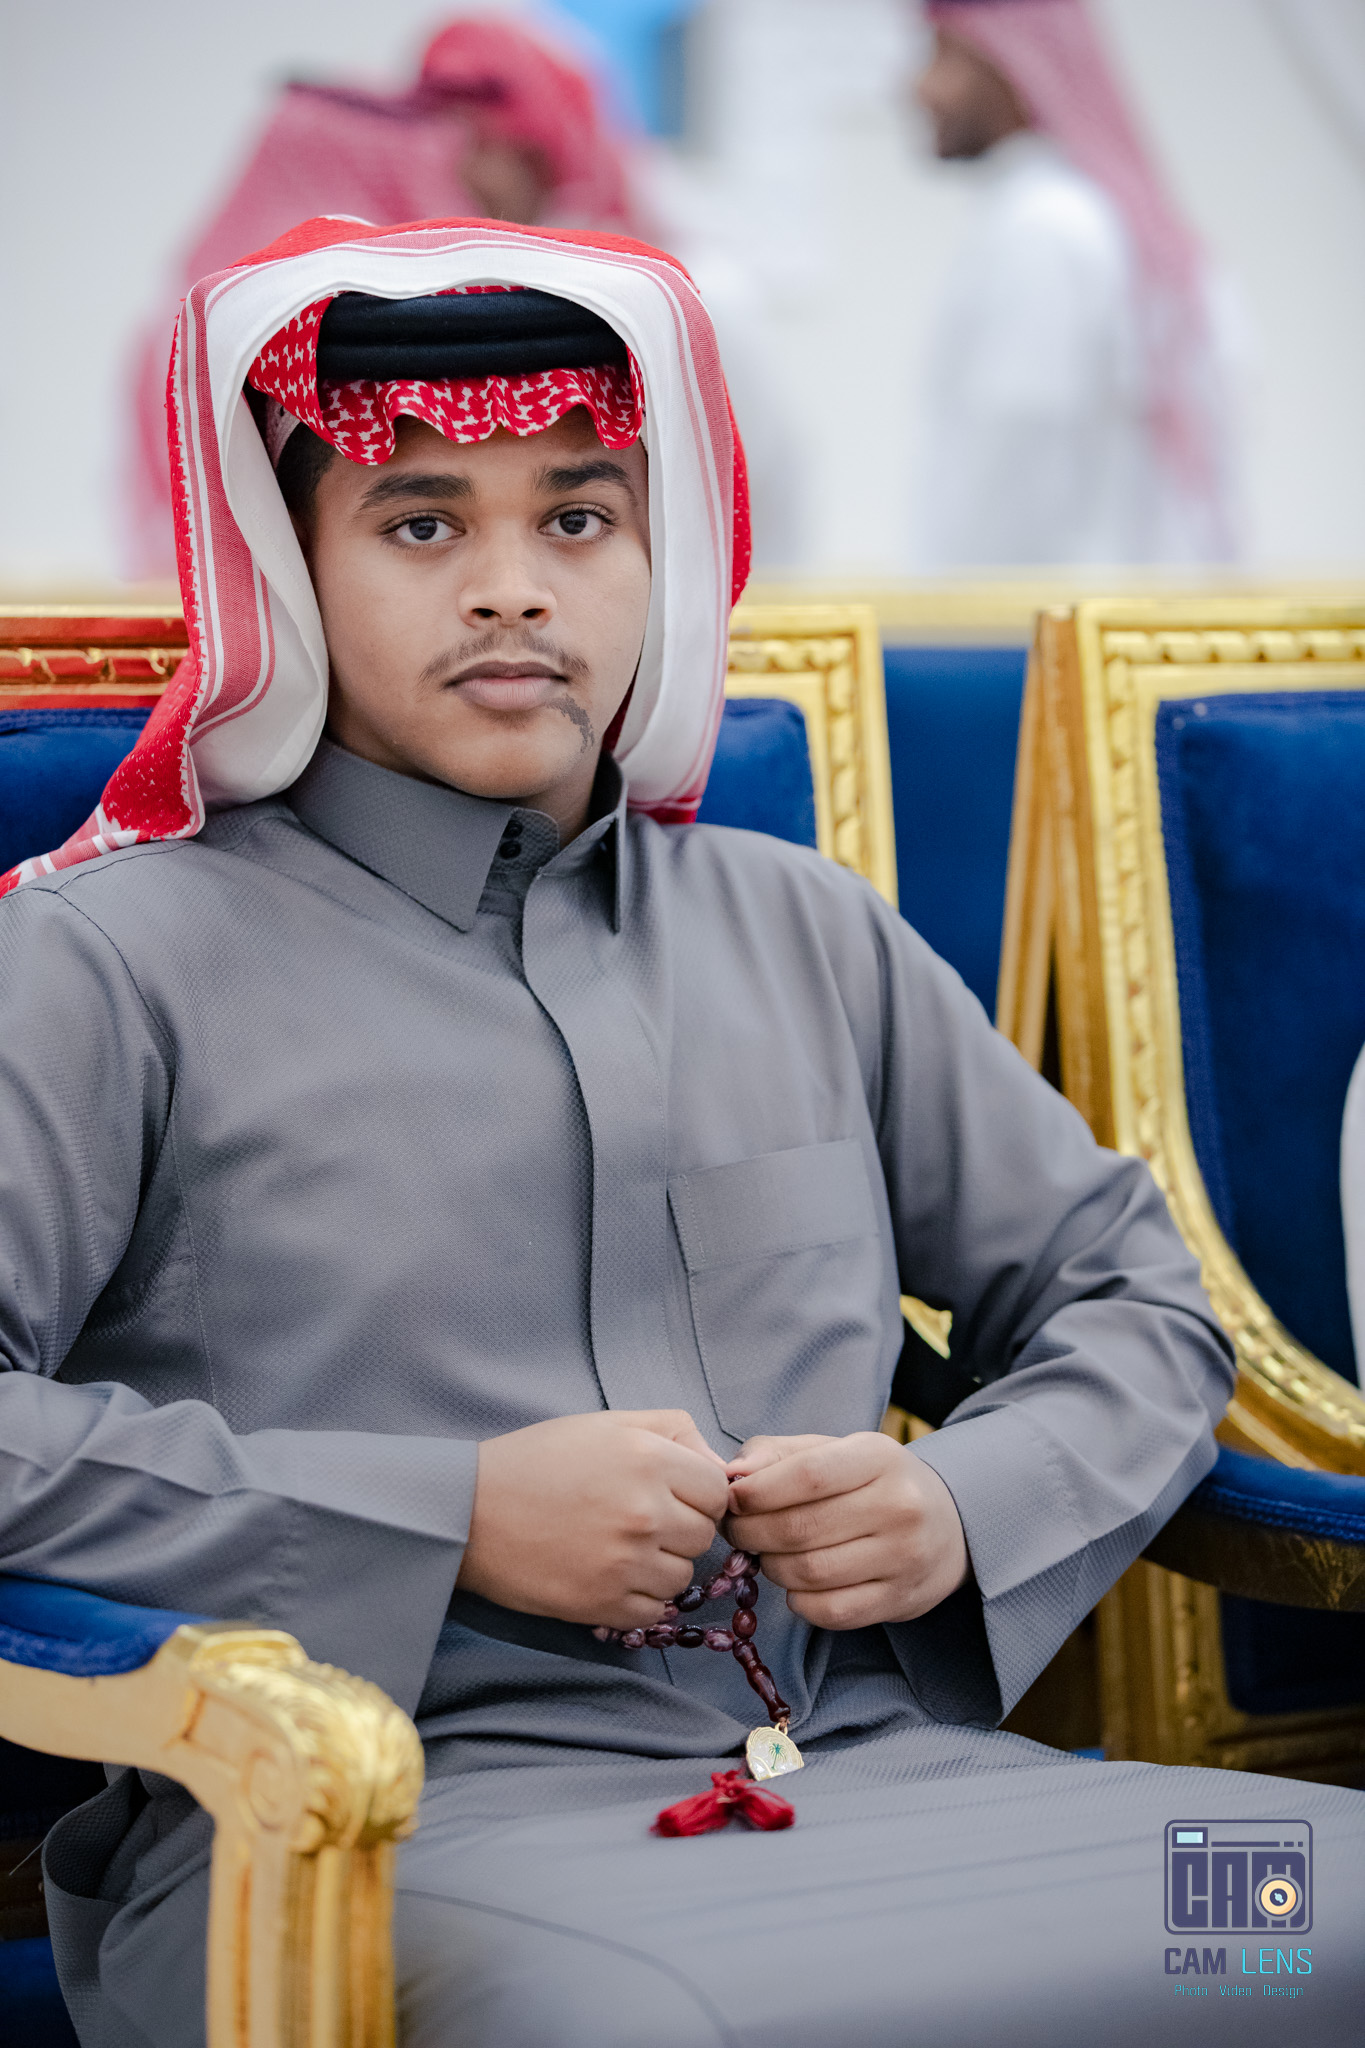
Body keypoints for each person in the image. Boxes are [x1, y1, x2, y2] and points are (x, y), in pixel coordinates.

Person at [4, 217, 1360, 2047]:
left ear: (665, 553)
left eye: (578, 518)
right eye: (421, 524)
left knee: (1313, 1917)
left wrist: (958, 1503)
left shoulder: (805, 932)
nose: (513, 591)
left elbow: (1136, 1298)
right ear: (286, 569)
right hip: (369, 1834)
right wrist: (446, 1519)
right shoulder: (102, 962)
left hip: (885, 1782)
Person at [909, 0, 1240, 567]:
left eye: (945, 57)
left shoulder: (1041, 231)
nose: (920, 88)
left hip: (1041, 614)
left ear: (1012, 67)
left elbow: (1010, 473)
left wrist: (949, 615)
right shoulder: (1114, 223)